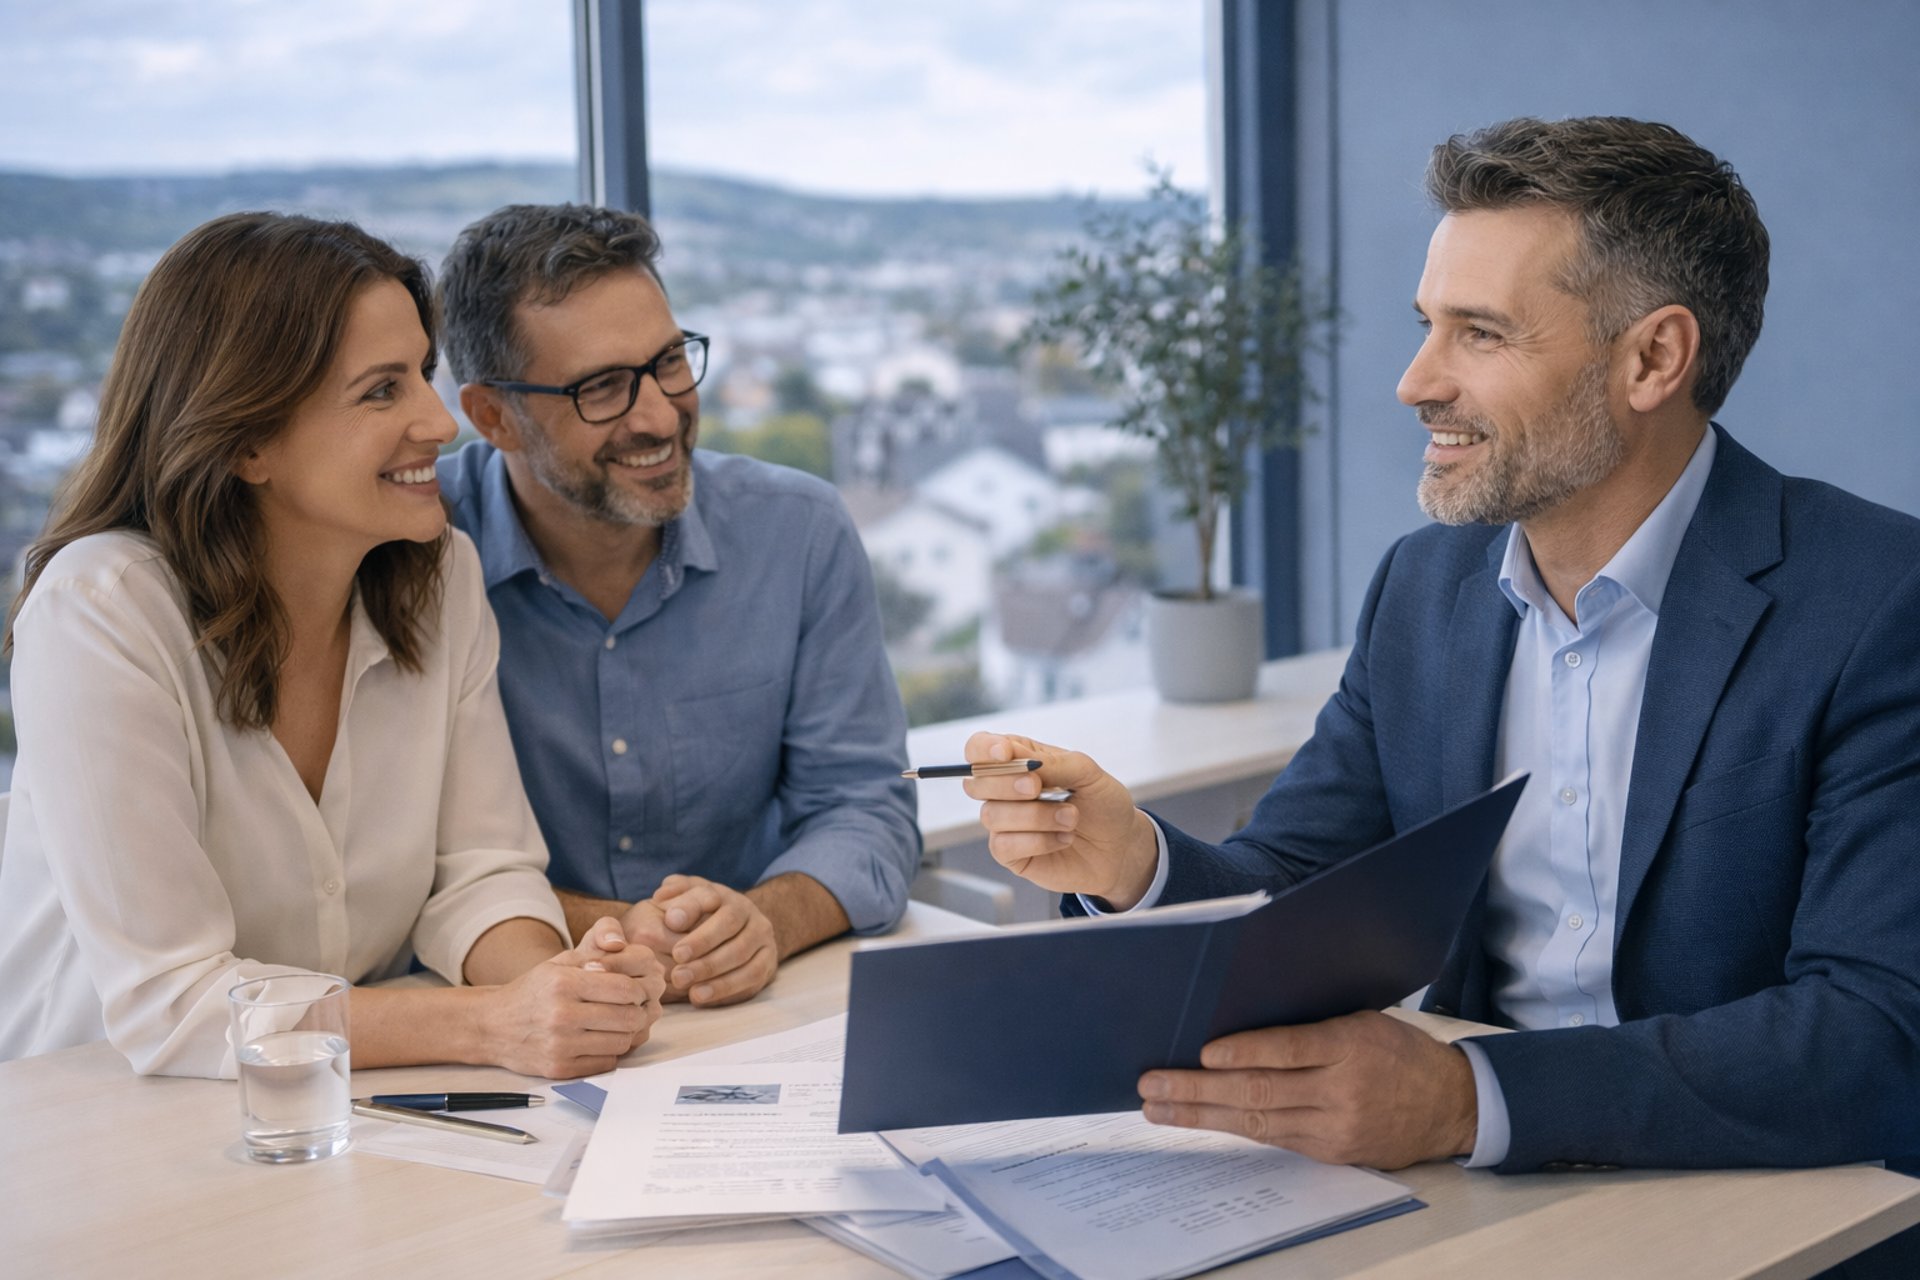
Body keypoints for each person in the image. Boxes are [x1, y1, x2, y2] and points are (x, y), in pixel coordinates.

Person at [964, 115, 1920, 1239]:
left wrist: (1468, 1099)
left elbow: (1878, 1028)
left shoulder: (1877, 602)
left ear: (1653, 358)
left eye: (1480, 333)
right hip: (1469, 1200)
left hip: (1772, 1217)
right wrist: (1135, 862)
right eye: (1427, 326)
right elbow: (1297, 889)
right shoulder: (1424, 588)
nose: (1418, 381)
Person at [0, 212, 666, 1079]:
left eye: (423, 374)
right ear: (247, 440)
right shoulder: (101, 611)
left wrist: (567, 989)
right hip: (99, 1121)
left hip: (341, 1109)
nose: (438, 421)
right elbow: (174, 1001)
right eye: (381, 390)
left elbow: (479, 876)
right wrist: (490, 1024)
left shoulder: (442, 578)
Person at [435, 204, 919, 1009]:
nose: (659, 415)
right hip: (508, 1018)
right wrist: (625, 929)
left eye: (668, 362)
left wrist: (762, 922)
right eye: (601, 389)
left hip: (751, 1011)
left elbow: (865, 808)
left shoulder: (797, 532)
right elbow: (400, 870)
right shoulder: (416, 554)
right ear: (492, 417)